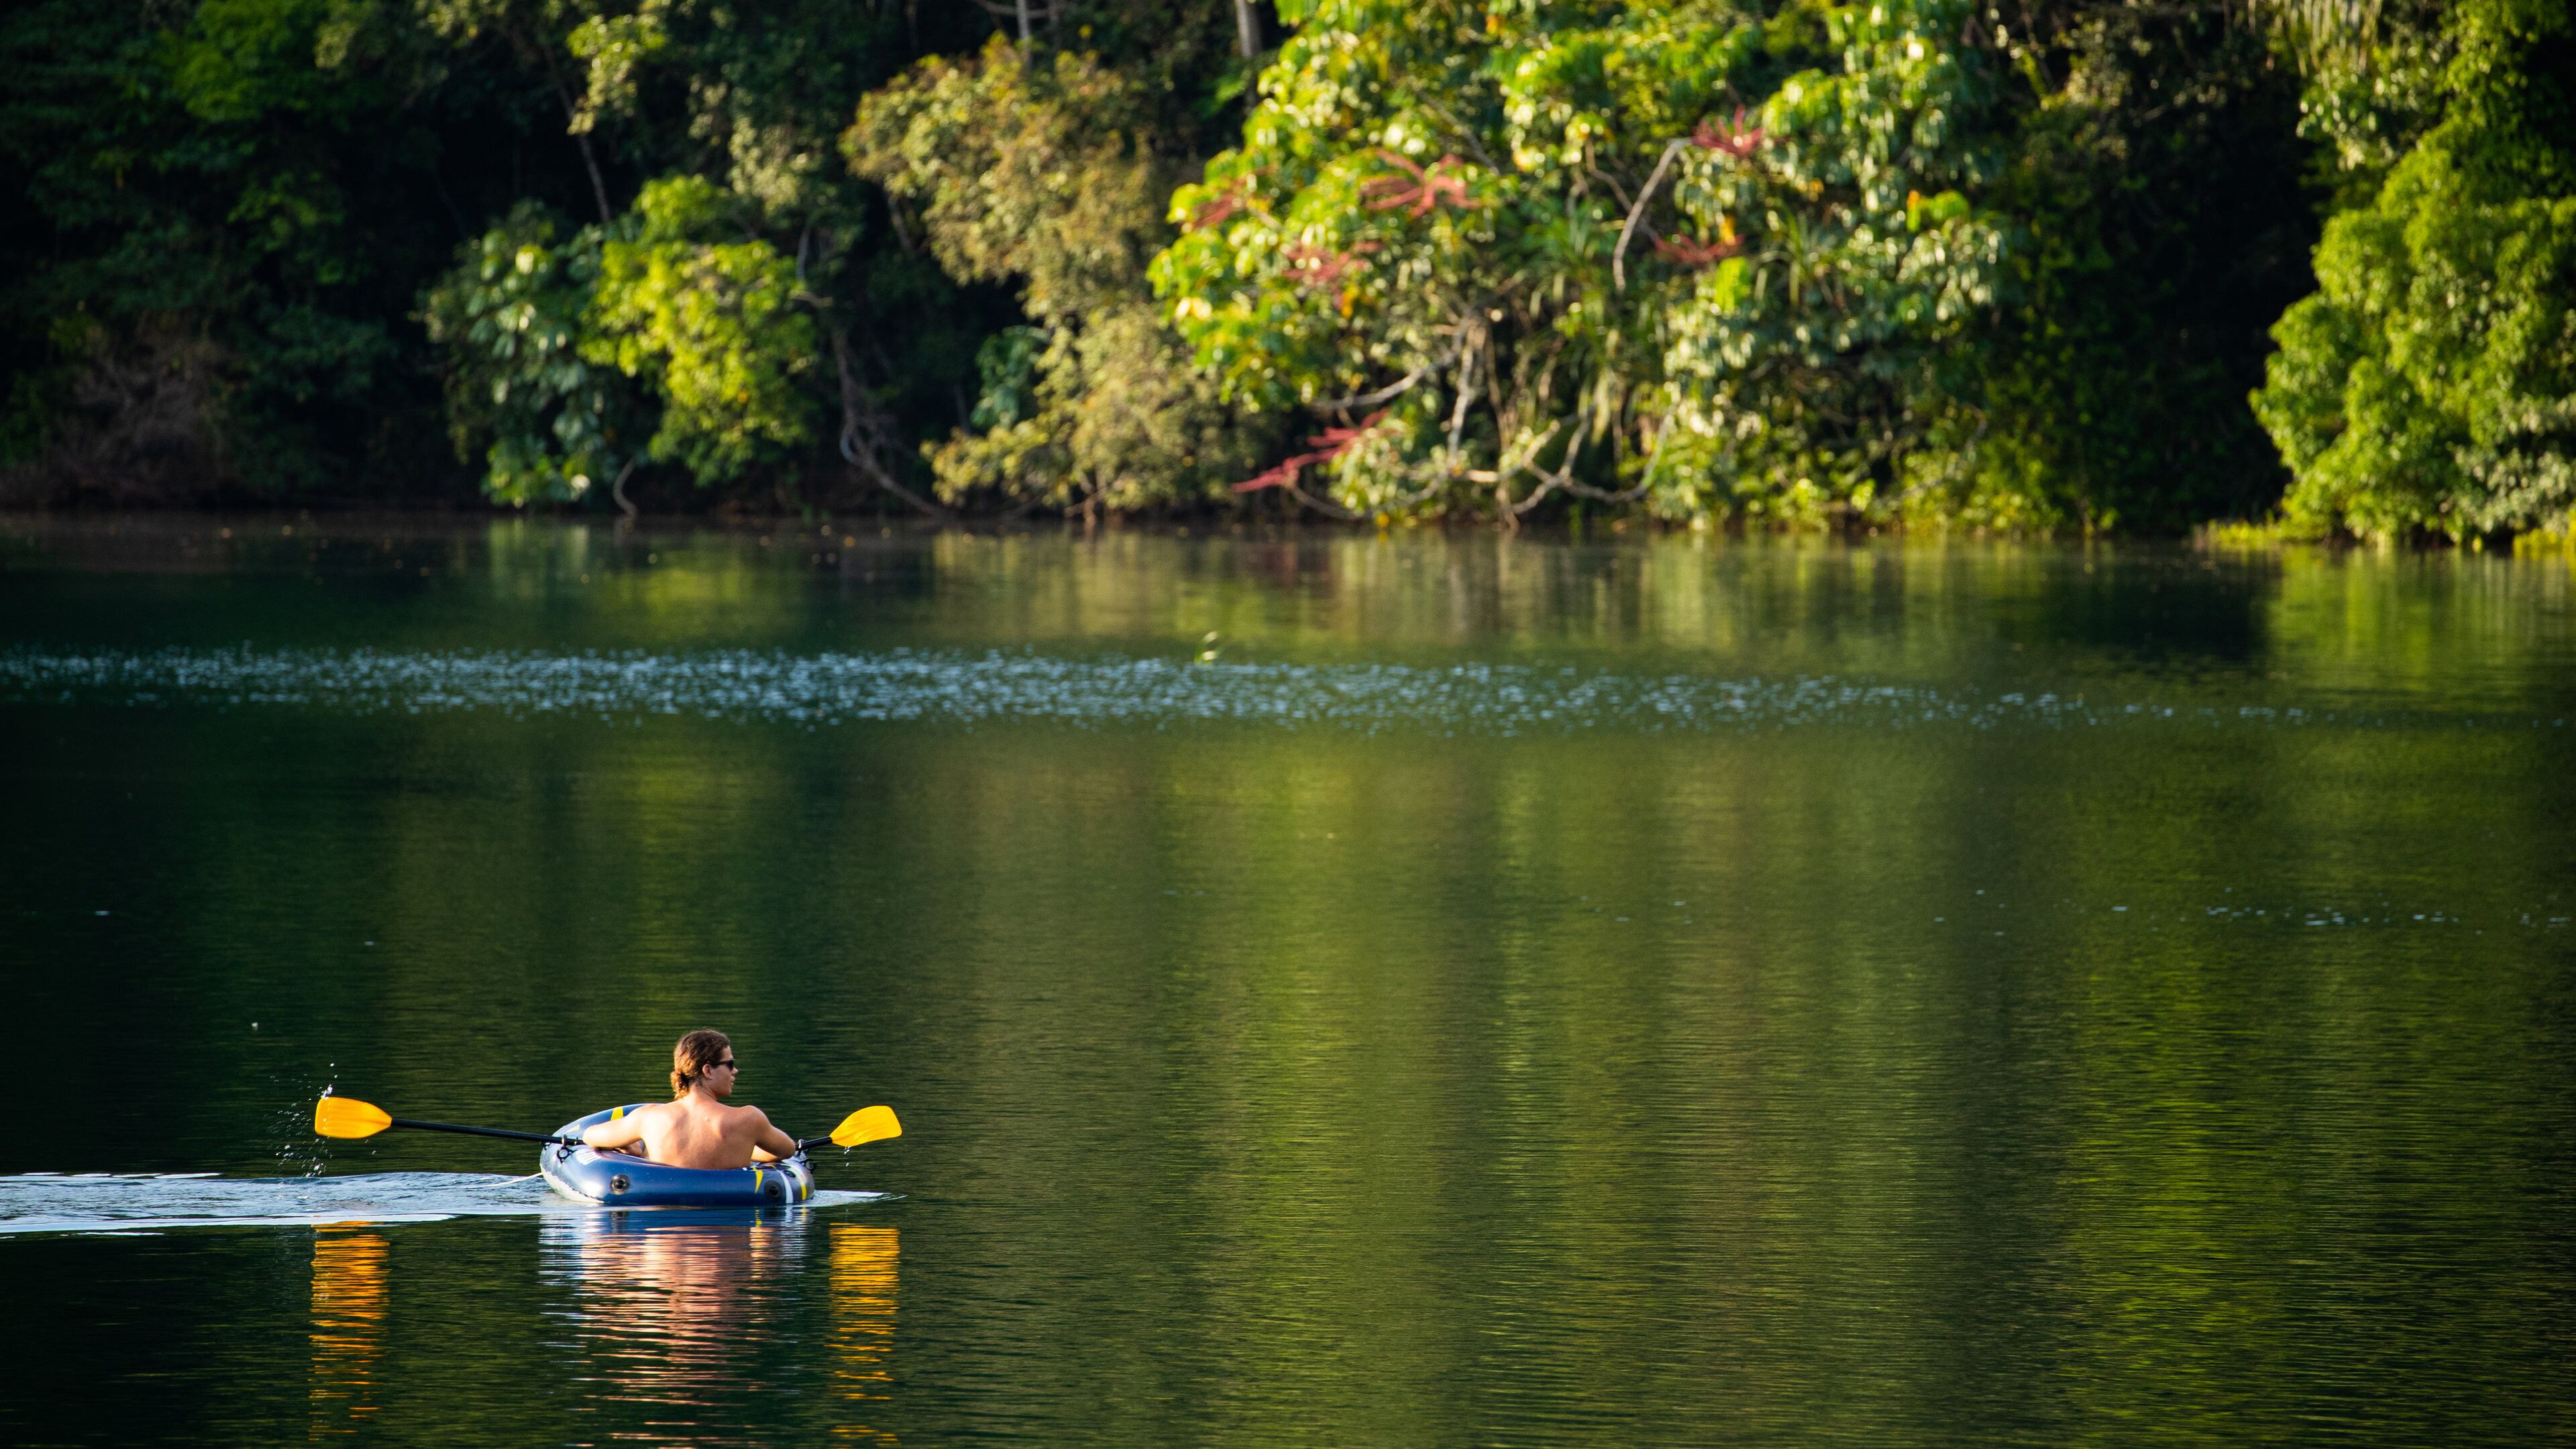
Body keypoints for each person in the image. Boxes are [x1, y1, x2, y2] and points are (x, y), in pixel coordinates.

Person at [582, 1029, 798, 1169]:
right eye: (730, 1064)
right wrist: (743, 1146)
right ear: (708, 1071)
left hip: (662, 1231)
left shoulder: (650, 1118)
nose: (736, 1071)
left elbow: (590, 1135)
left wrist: (633, 1149)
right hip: (729, 1230)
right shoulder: (749, 1119)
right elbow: (787, 1150)